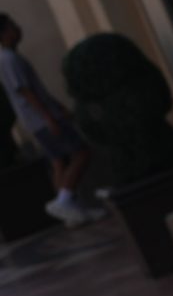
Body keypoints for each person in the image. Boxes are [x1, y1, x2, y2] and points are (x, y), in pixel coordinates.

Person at [0, 14, 102, 226]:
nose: (18, 29)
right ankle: (64, 201)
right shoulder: (9, 59)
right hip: (42, 120)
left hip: (39, 119)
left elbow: (34, 90)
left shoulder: (10, 57)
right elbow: (25, 91)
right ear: (4, 32)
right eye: (12, 26)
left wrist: (57, 107)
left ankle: (70, 212)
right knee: (81, 152)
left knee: (58, 161)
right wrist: (49, 117)